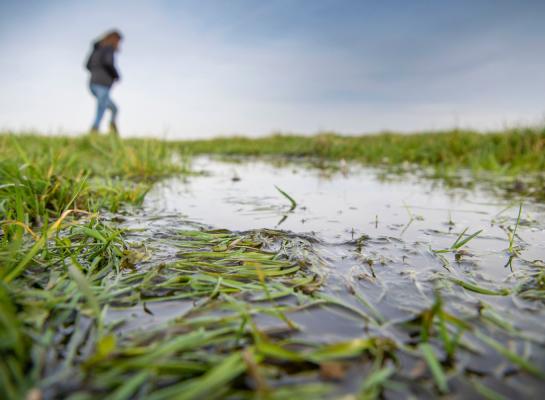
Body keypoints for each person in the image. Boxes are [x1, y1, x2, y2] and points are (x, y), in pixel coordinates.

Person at [85, 30, 123, 135]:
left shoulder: (96, 50)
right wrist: (116, 76)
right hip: (102, 84)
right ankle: (94, 129)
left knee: (114, 108)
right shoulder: (109, 48)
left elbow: (87, 65)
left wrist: (96, 71)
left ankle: (112, 126)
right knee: (101, 107)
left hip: (93, 83)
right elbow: (108, 62)